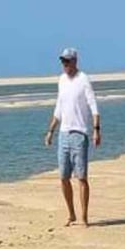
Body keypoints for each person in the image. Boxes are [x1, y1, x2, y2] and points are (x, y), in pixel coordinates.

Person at [43, 47, 100, 226]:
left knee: (81, 177)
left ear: (75, 61)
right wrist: (51, 131)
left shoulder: (83, 80)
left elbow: (93, 106)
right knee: (63, 177)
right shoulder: (61, 80)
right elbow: (59, 108)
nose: (65, 65)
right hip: (64, 134)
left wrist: (97, 129)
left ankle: (84, 216)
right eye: (63, 61)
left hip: (80, 134)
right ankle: (71, 214)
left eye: (67, 61)